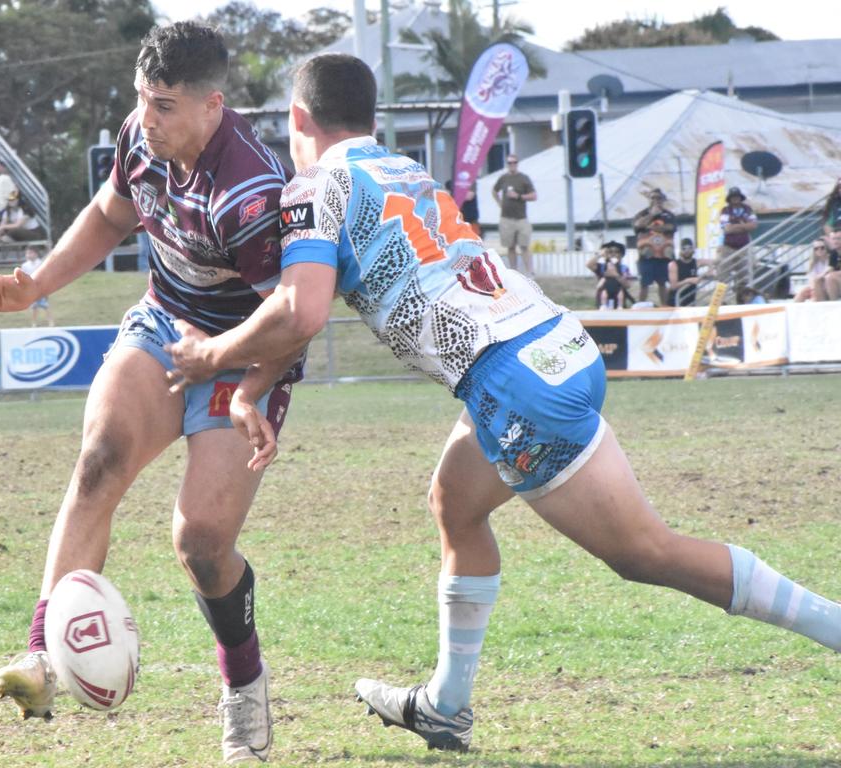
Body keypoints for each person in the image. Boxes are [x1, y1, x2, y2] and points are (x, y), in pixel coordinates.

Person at [165, 52, 841, 754]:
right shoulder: (399, 168)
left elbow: (299, 311)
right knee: (455, 504)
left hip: (512, 383)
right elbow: (307, 306)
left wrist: (211, 358)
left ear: (297, 120)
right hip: (553, 342)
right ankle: (446, 707)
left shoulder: (312, 188)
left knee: (646, 552)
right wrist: (252, 387)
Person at [0, 21, 293, 764]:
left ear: (213, 106)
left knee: (202, 546)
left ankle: (243, 686)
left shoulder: (250, 191)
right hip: (163, 325)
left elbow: (291, 318)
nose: (149, 119)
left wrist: (246, 391)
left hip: (243, 354)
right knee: (98, 462)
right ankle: (43, 660)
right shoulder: (140, 138)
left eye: (167, 105)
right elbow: (113, 214)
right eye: (144, 99)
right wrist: (34, 283)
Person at [491, 154, 536, 274]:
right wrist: (500, 204)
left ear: (517, 163)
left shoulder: (523, 178)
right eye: (509, 163)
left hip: (521, 218)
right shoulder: (503, 178)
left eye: (514, 162)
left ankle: (530, 272)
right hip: (506, 218)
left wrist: (519, 196)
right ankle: (514, 272)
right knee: (510, 246)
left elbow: (533, 196)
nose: (512, 165)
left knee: (524, 246)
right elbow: (494, 191)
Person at [631, 188, 676, 305]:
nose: (656, 200)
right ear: (649, 199)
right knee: (644, 284)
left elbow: (671, 227)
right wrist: (652, 215)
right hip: (646, 256)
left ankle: (664, 307)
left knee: (663, 283)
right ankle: (640, 306)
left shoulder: (668, 214)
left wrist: (653, 227)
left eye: (659, 198)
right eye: (653, 198)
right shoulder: (642, 214)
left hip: (664, 255)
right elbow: (637, 226)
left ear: (663, 200)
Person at [718, 186, 758, 286]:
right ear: (729, 199)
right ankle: (723, 299)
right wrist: (744, 226)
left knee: (744, 276)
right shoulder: (725, 210)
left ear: (740, 198)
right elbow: (727, 229)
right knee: (723, 275)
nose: (735, 198)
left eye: (737, 196)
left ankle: (742, 298)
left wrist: (735, 226)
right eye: (733, 197)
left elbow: (754, 225)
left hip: (744, 247)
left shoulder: (748, 209)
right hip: (728, 247)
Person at [667, 237, 714, 307]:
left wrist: (710, 270)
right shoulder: (674, 265)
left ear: (693, 249)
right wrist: (688, 281)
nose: (687, 251)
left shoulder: (696, 262)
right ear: (680, 250)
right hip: (675, 301)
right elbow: (673, 286)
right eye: (684, 249)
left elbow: (711, 262)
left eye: (689, 248)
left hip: (690, 301)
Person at [585, 240, 632, 308]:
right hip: (603, 299)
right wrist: (600, 254)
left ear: (621, 254)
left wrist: (616, 275)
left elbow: (627, 285)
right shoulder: (601, 267)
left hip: (618, 300)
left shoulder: (624, 268)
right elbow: (589, 265)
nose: (613, 254)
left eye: (617, 252)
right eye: (610, 252)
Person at [19, 245, 53, 326]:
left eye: (30, 253)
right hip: (31, 289)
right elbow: (23, 277)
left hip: (40, 288)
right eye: (27, 253)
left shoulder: (41, 263)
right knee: (34, 307)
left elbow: (45, 275)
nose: (28, 255)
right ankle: (34, 322)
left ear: (36, 254)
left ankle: (50, 321)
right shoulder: (24, 265)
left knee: (45, 306)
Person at [812, 229, 841, 301]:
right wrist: (820, 275)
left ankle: (833, 303)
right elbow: (830, 267)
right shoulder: (834, 253)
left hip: (836, 278)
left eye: (838, 238)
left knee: (830, 277)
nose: (836, 241)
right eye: (833, 239)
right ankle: (822, 306)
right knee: (818, 280)